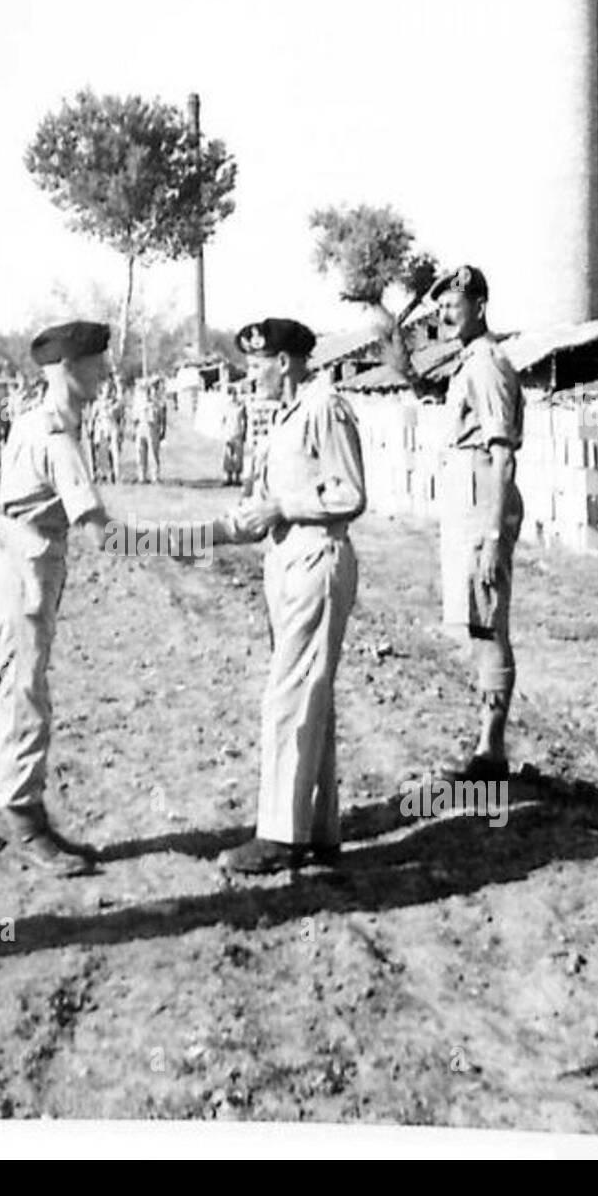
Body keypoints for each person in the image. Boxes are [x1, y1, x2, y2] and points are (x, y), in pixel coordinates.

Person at [0, 320, 203, 877]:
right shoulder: (53, 434)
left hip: (24, 566)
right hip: (22, 575)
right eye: (96, 363)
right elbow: (103, 534)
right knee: (24, 698)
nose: (106, 372)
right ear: (67, 369)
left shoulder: (45, 421)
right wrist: (196, 539)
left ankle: (25, 812)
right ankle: (25, 823)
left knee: (25, 692)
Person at [213, 318, 367, 875]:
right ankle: (319, 831)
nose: (250, 373)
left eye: (257, 363)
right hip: (286, 560)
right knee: (310, 699)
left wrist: (282, 507)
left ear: (284, 362)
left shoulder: (325, 406)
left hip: (315, 556)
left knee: (287, 700)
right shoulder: (285, 413)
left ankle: (279, 836)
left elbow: (350, 492)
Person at [392, 265, 524, 785]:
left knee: (490, 623)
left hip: (483, 506)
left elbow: (502, 457)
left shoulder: (487, 364)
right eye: (441, 305)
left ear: (480, 306)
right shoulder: (468, 362)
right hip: (468, 504)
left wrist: (493, 538)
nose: (445, 313)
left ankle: (491, 753)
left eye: (455, 304)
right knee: (478, 623)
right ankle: (486, 749)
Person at [132, 377, 162, 482]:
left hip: (151, 426)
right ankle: (142, 476)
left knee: (153, 453)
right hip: (140, 426)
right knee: (140, 452)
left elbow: (160, 415)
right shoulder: (138, 401)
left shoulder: (155, 401)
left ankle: (155, 476)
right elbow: (134, 417)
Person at [220, 387, 248, 486]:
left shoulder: (241, 407)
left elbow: (245, 421)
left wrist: (244, 433)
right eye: (232, 394)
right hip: (228, 434)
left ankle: (237, 478)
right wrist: (223, 433)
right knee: (228, 456)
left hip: (238, 433)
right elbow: (223, 421)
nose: (233, 396)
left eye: (235, 394)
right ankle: (229, 478)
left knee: (238, 456)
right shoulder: (226, 407)